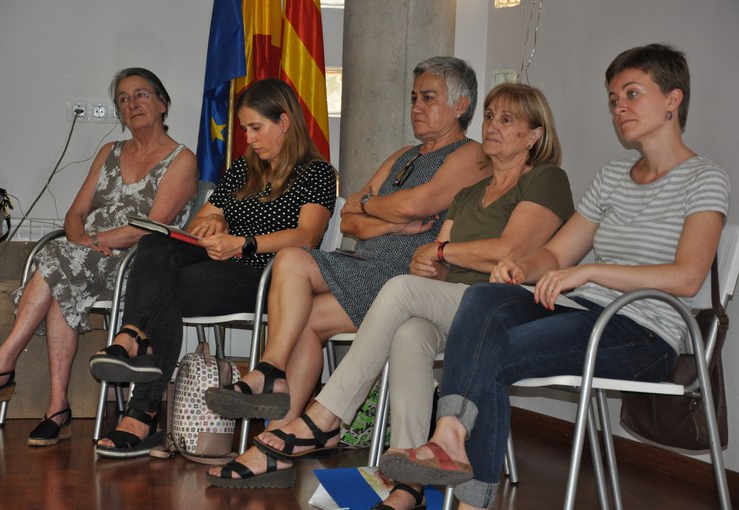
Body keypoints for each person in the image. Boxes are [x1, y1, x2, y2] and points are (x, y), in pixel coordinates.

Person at [378, 44, 729, 510]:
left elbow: (687, 278)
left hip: (644, 333)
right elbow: (556, 253)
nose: (619, 107)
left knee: (490, 356)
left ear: (673, 99)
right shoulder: (612, 177)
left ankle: (461, 476)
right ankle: (450, 436)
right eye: (613, 98)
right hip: (586, 312)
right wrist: (521, 268)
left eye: (632, 94)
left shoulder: (704, 179)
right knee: (485, 298)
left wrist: (589, 271)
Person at [253, 82, 575, 510]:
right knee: (409, 332)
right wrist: (432, 263)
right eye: (490, 117)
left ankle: (327, 414)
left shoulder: (546, 179)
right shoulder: (469, 194)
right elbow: (438, 261)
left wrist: (441, 253)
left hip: (504, 304)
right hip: (455, 301)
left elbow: (510, 250)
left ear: (534, 135)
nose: (492, 126)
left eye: (506, 120)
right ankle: (408, 478)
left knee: (401, 288)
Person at [204, 56, 488, 488]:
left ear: (461, 105)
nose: (416, 107)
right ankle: (276, 412)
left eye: (428, 98)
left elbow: (415, 204)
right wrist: (387, 219)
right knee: (293, 274)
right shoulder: (403, 156)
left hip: (406, 276)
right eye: (414, 97)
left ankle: (273, 422)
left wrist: (373, 206)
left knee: (297, 299)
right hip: (364, 263)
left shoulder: (470, 154)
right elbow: (350, 219)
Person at [88, 78, 338, 458]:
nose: (249, 138)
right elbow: (198, 224)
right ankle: (135, 340)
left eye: (256, 127)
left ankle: (142, 407)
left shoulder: (316, 173)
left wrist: (243, 242)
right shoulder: (244, 169)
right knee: (155, 244)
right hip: (219, 263)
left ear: (285, 122)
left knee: (163, 288)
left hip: (268, 279)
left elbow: (307, 236)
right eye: (245, 129)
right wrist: (215, 222)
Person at [0, 67, 198, 447]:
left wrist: (92, 241)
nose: (132, 103)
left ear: (163, 103)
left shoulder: (182, 160)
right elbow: (75, 214)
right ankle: (56, 408)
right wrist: (83, 240)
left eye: (141, 94)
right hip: (87, 254)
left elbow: (154, 228)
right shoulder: (109, 152)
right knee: (64, 269)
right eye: (123, 99)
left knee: (58, 261)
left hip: (137, 264)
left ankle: (3, 365)